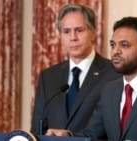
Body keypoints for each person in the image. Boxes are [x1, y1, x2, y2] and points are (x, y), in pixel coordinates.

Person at [45, 17, 137, 141]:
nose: (115, 51)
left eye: (125, 45)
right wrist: (67, 136)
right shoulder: (109, 90)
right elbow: (92, 135)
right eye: (113, 45)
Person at [30, 4, 121, 135]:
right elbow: (38, 128)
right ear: (60, 36)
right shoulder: (49, 76)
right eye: (66, 31)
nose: (73, 37)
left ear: (93, 33)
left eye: (79, 30)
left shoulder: (113, 73)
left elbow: (115, 129)